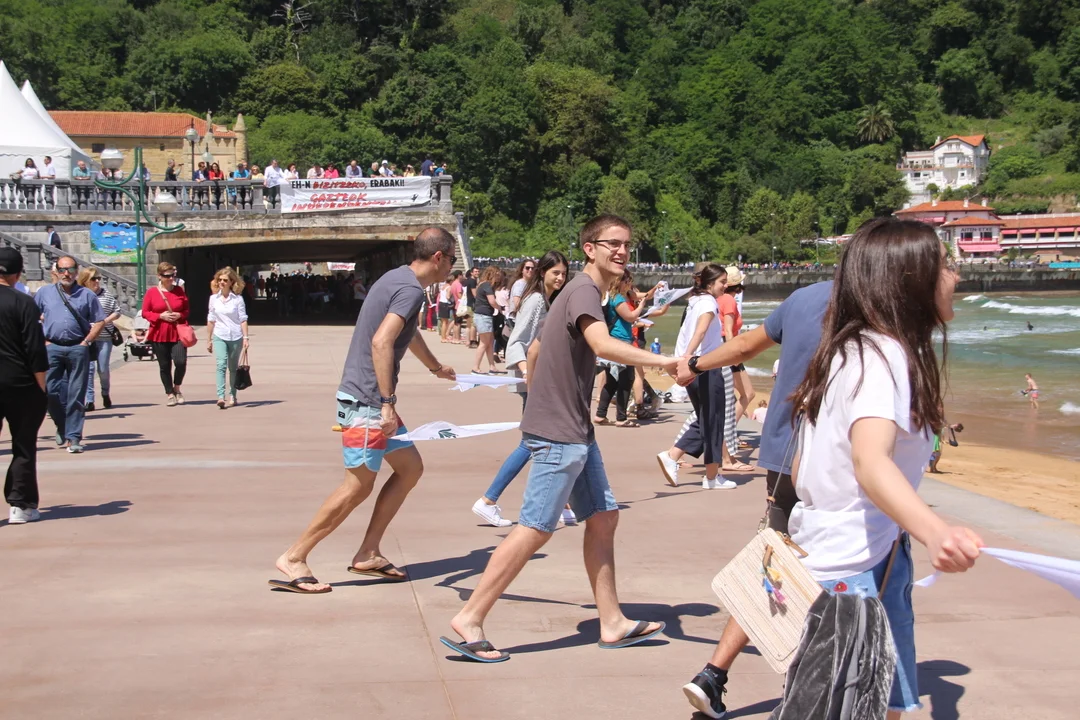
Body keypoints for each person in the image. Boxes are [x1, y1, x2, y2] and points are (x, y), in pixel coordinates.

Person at [443, 215, 678, 662]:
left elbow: (535, 349)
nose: (622, 251)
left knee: (604, 517)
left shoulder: (576, 292)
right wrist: (665, 362)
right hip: (560, 432)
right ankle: (470, 617)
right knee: (535, 527)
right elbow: (602, 345)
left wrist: (543, 395)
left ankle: (611, 621)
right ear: (590, 248)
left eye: (627, 244)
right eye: (612, 243)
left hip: (573, 428)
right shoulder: (584, 290)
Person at [674, 278, 832, 718]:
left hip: (783, 452)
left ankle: (713, 674)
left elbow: (745, 346)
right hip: (833, 461)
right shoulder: (880, 305)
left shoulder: (805, 296)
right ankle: (802, 687)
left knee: (775, 565)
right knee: (833, 573)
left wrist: (694, 364)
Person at [271, 227, 458, 594]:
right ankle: (294, 556)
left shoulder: (398, 279)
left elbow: (406, 332)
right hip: (367, 402)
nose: (452, 266)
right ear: (438, 257)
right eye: (451, 259)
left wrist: (435, 366)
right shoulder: (409, 290)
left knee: (410, 468)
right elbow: (382, 341)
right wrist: (387, 403)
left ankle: (369, 552)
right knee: (357, 486)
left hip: (369, 400)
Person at [471, 250, 568, 528]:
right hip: (534, 381)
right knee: (538, 442)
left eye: (564, 274)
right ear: (542, 272)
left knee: (549, 442)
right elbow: (517, 340)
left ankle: (561, 503)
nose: (560, 278)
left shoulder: (547, 299)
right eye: (555, 273)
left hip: (541, 380)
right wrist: (528, 374)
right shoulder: (536, 300)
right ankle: (489, 500)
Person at [655, 264, 736, 488]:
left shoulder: (694, 301)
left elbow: (684, 333)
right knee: (713, 419)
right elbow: (700, 331)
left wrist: (680, 361)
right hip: (704, 366)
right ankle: (709, 476)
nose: (725, 286)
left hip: (694, 367)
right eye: (722, 282)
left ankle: (679, 459)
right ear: (710, 283)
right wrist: (687, 358)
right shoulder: (708, 302)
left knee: (706, 418)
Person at [35, 255, 105, 454]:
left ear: (77, 271)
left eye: (71, 269)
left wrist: (86, 342)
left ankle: (73, 437)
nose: (66, 274)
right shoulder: (44, 293)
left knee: (76, 394)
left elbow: (99, 320)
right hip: (52, 347)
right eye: (62, 270)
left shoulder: (87, 295)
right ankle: (62, 425)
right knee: (50, 391)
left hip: (78, 348)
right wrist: (44, 341)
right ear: (56, 271)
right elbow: (32, 317)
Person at [0, 248, 49, 523]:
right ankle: (20, 504)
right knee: (23, 444)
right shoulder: (24, 303)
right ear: (18, 274)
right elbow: (35, 349)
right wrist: (41, 387)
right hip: (19, 382)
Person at [594, 271, 657, 427]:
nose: (630, 284)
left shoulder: (609, 296)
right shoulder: (618, 298)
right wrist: (641, 306)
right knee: (626, 379)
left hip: (613, 340)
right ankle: (621, 418)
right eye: (628, 281)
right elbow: (630, 316)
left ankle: (601, 414)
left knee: (611, 382)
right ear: (620, 282)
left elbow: (644, 295)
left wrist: (656, 289)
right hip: (621, 341)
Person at [141, 262, 190, 407]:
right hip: (159, 333)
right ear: (159, 276)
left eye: (172, 275)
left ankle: (177, 388)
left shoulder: (179, 291)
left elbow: (187, 310)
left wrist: (180, 315)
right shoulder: (152, 292)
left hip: (177, 332)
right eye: (167, 276)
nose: (170, 279)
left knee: (180, 362)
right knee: (164, 365)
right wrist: (159, 316)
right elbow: (145, 312)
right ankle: (169, 393)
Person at [206, 267, 250, 409]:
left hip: (235, 336)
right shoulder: (213, 299)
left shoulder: (238, 299)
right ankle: (220, 396)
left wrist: (246, 337)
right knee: (221, 364)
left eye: (225, 280)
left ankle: (233, 394)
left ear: (231, 282)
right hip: (220, 335)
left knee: (233, 367)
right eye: (219, 280)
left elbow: (243, 319)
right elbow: (211, 319)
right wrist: (209, 339)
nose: (221, 282)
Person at [79, 268, 120, 411]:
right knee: (89, 369)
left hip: (104, 337)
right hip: (87, 337)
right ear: (85, 280)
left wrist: (104, 321)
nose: (97, 281)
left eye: (98, 278)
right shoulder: (80, 294)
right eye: (93, 279)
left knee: (103, 369)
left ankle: (105, 392)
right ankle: (89, 400)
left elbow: (117, 311)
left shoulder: (106, 294)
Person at [720, 267, 756, 424]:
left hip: (719, 346)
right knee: (748, 393)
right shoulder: (729, 300)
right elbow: (728, 330)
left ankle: (726, 428)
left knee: (728, 393)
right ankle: (728, 429)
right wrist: (734, 354)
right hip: (727, 346)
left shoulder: (717, 298)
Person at [471, 266, 505, 375]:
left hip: (482, 315)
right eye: (497, 275)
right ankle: (475, 367)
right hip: (484, 316)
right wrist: (500, 308)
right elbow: (492, 301)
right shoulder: (487, 285)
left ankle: (492, 366)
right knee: (484, 343)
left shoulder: (481, 284)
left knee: (489, 342)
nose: (498, 278)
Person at [464, 266, 479, 347]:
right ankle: (473, 340)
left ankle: (468, 341)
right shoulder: (473, 281)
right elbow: (474, 294)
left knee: (468, 324)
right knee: (473, 324)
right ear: (471, 273)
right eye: (475, 271)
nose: (477, 273)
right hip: (472, 304)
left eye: (478, 271)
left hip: (469, 303)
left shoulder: (468, 280)